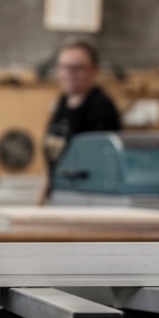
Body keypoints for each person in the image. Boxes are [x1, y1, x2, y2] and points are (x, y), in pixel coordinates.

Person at [36, 39, 121, 206]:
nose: (70, 73)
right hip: (60, 195)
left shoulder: (101, 108)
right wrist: (39, 203)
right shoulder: (63, 102)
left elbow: (101, 166)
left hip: (87, 199)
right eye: (64, 67)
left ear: (94, 70)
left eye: (78, 68)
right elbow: (53, 160)